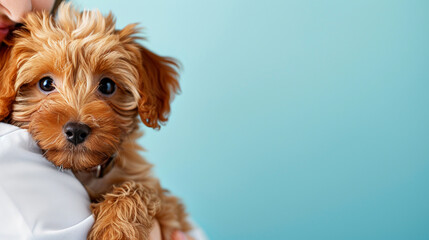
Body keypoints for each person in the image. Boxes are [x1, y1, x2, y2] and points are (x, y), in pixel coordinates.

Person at [0, 1, 205, 239]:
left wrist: (131, 205)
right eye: (47, 85)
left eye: (106, 87)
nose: (77, 120)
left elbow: (175, 220)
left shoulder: (130, 173)